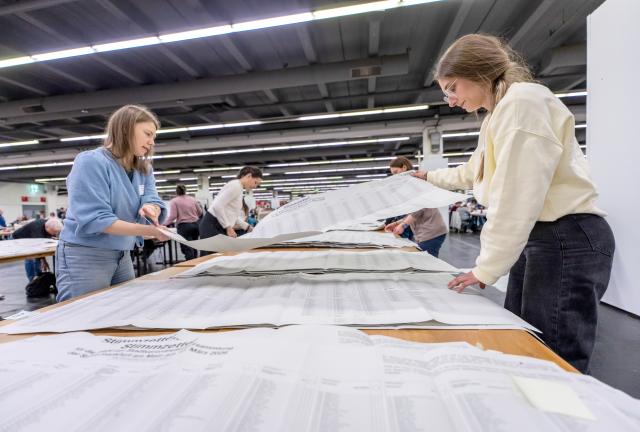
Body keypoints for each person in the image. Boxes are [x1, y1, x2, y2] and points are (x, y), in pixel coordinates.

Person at [412, 34, 614, 372]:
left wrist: (486, 268)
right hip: (545, 238)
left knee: (552, 357)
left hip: (566, 238)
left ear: (477, 74)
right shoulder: (499, 114)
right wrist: (428, 177)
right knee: (526, 343)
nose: (449, 100)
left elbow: (516, 197)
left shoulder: (523, 105)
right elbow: (473, 171)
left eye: (452, 87)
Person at [56, 105, 169, 302]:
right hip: (85, 255)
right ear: (126, 128)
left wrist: (152, 208)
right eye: (148, 134)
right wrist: (148, 231)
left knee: (123, 310)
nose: (152, 142)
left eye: (154, 137)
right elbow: (96, 220)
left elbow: (152, 198)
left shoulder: (144, 168)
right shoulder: (91, 162)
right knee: (80, 316)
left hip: (122, 254)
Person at [383, 156, 448, 257]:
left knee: (428, 263)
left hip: (431, 231)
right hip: (427, 231)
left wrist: (403, 225)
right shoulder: (409, 184)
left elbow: (419, 208)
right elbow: (412, 211)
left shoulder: (416, 182)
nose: (395, 176)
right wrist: (396, 223)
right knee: (427, 261)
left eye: (396, 172)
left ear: (404, 168)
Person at [199, 166, 262, 255]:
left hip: (216, 224)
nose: (255, 186)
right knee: (211, 259)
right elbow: (217, 206)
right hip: (213, 225)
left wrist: (247, 227)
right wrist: (228, 227)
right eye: (255, 182)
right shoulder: (235, 186)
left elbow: (231, 214)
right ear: (249, 176)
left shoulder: (238, 188)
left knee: (219, 258)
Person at [12, 217, 63, 281]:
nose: (54, 234)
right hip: (20, 240)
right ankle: (32, 281)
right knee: (30, 258)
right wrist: (43, 260)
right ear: (47, 228)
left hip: (31, 240)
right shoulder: (37, 229)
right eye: (54, 232)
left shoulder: (49, 224)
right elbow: (38, 249)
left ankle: (39, 277)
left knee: (38, 260)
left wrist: (43, 260)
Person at [164, 184, 203, 261]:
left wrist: (163, 224)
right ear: (185, 191)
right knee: (194, 247)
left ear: (176, 192)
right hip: (196, 226)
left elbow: (173, 216)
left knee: (187, 248)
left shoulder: (174, 201)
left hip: (184, 227)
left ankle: (191, 267)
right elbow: (200, 212)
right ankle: (196, 266)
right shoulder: (193, 199)